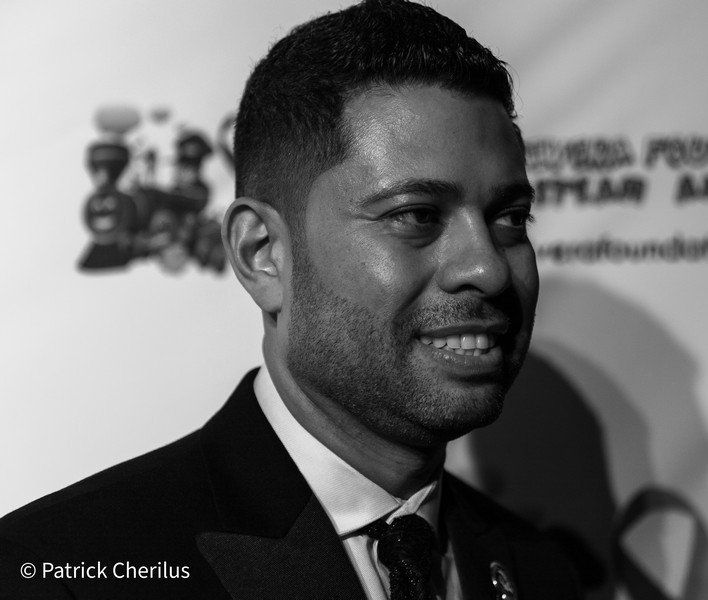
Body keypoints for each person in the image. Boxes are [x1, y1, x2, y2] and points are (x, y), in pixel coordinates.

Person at [0, 1, 581, 598]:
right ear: (262, 254)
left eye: (511, 217)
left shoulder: (541, 573)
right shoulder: (61, 572)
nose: (488, 268)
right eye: (416, 215)